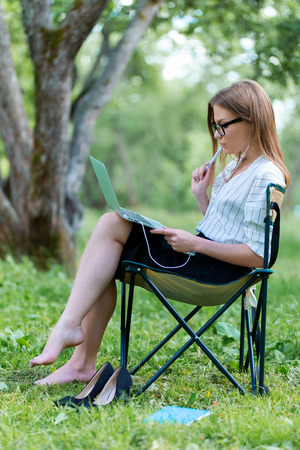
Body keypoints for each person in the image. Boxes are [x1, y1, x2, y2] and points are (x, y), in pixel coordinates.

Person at [30, 79, 290, 386]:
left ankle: (73, 342)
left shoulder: (265, 175)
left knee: (111, 227)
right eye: (214, 127)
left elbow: (259, 255)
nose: (217, 136)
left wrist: (194, 243)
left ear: (251, 119)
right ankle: (78, 357)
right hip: (203, 257)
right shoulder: (235, 167)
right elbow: (227, 230)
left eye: (222, 126)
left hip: (218, 274)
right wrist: (201, 195)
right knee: (109, 237)